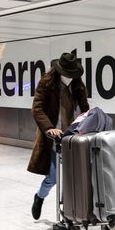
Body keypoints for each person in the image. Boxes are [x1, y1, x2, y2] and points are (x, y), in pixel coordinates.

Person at [27, 52, 89, 220]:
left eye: (72, 75)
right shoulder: (47, 84)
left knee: (72, 177)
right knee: (54, 177)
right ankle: (39, 197)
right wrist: (49, 128)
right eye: (67, 75)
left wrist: (87, 123)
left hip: (75, 137)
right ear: (59, 71)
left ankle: (69, 212)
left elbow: (85, 109)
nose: (70, 78)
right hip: (55, 137)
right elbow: (37, 109)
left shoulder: (78, 86)